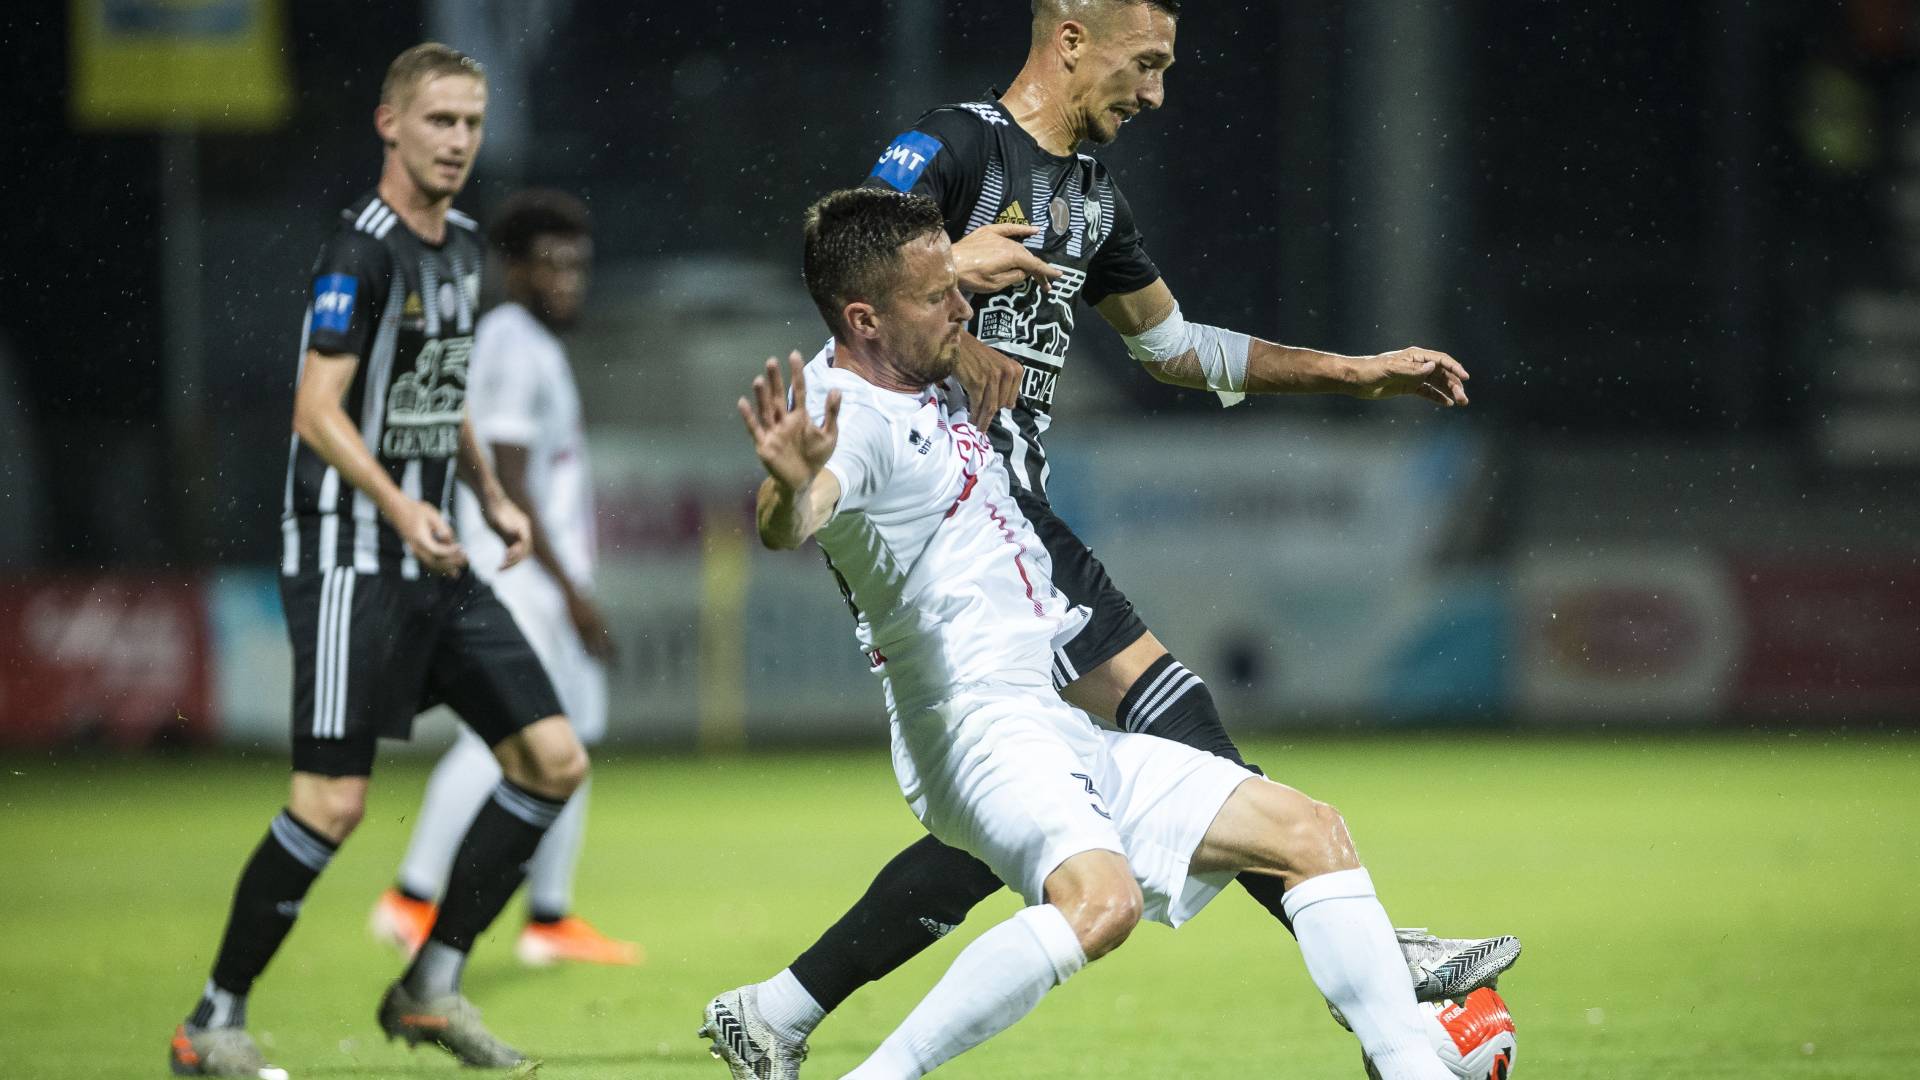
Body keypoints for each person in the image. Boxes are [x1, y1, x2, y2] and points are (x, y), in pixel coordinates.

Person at [704, 3, 1512, 1074]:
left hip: (1015, 515)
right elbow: (863, 264)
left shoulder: (1093, 199)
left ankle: (778, 1009)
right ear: (1073, 39)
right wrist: (955, 283)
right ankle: (1352, 939)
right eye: (1147, 64)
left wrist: (1354, 372)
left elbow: (1174, 349)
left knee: (1014, 836)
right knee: (1161, 723)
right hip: (941, 515)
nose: (1157, 94)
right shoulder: (955, 146)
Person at [168, 44, 588, 1077]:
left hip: (431, 553)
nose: (458, 140)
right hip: (350, 554)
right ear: (389, 124)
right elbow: (316, 410)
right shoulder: (358, 252)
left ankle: (429, 989)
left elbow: (438, 391)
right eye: (439, 120)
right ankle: (211, 1022)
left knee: (553, 761)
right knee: (332, 804)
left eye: (471, 122)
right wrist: (402, 507)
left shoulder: (465, 246)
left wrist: (488, 493)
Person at [370, 189, 639, 969]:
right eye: (550, 264)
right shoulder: (512, 343)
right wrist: (572, 594)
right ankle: (412, 897)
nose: (568, 280)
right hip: (516, 574)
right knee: (507, 740)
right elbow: (510, 477)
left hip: (542, 578)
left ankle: (548, 917)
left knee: (568, 740)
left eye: (578, 265)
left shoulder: (533, 344)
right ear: (511, 270)